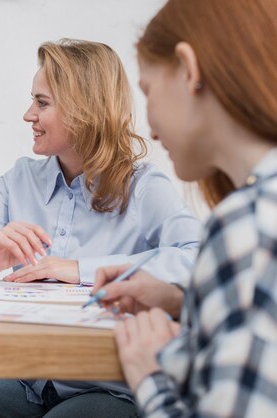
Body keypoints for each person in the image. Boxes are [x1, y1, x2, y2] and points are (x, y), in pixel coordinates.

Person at [0, 39, 202, 417]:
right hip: (27, 380)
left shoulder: (144, 186)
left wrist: (79, 270)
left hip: (108, 386)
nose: (28, 115)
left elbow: (198, 259)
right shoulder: (19, 180)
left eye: (42, 103)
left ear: (84, 110)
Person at [90, 0, 277, 416]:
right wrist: (184, 301)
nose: (150, 128)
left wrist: (148, 375)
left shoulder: (246, 227)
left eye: (148, 91)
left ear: (188, 68)